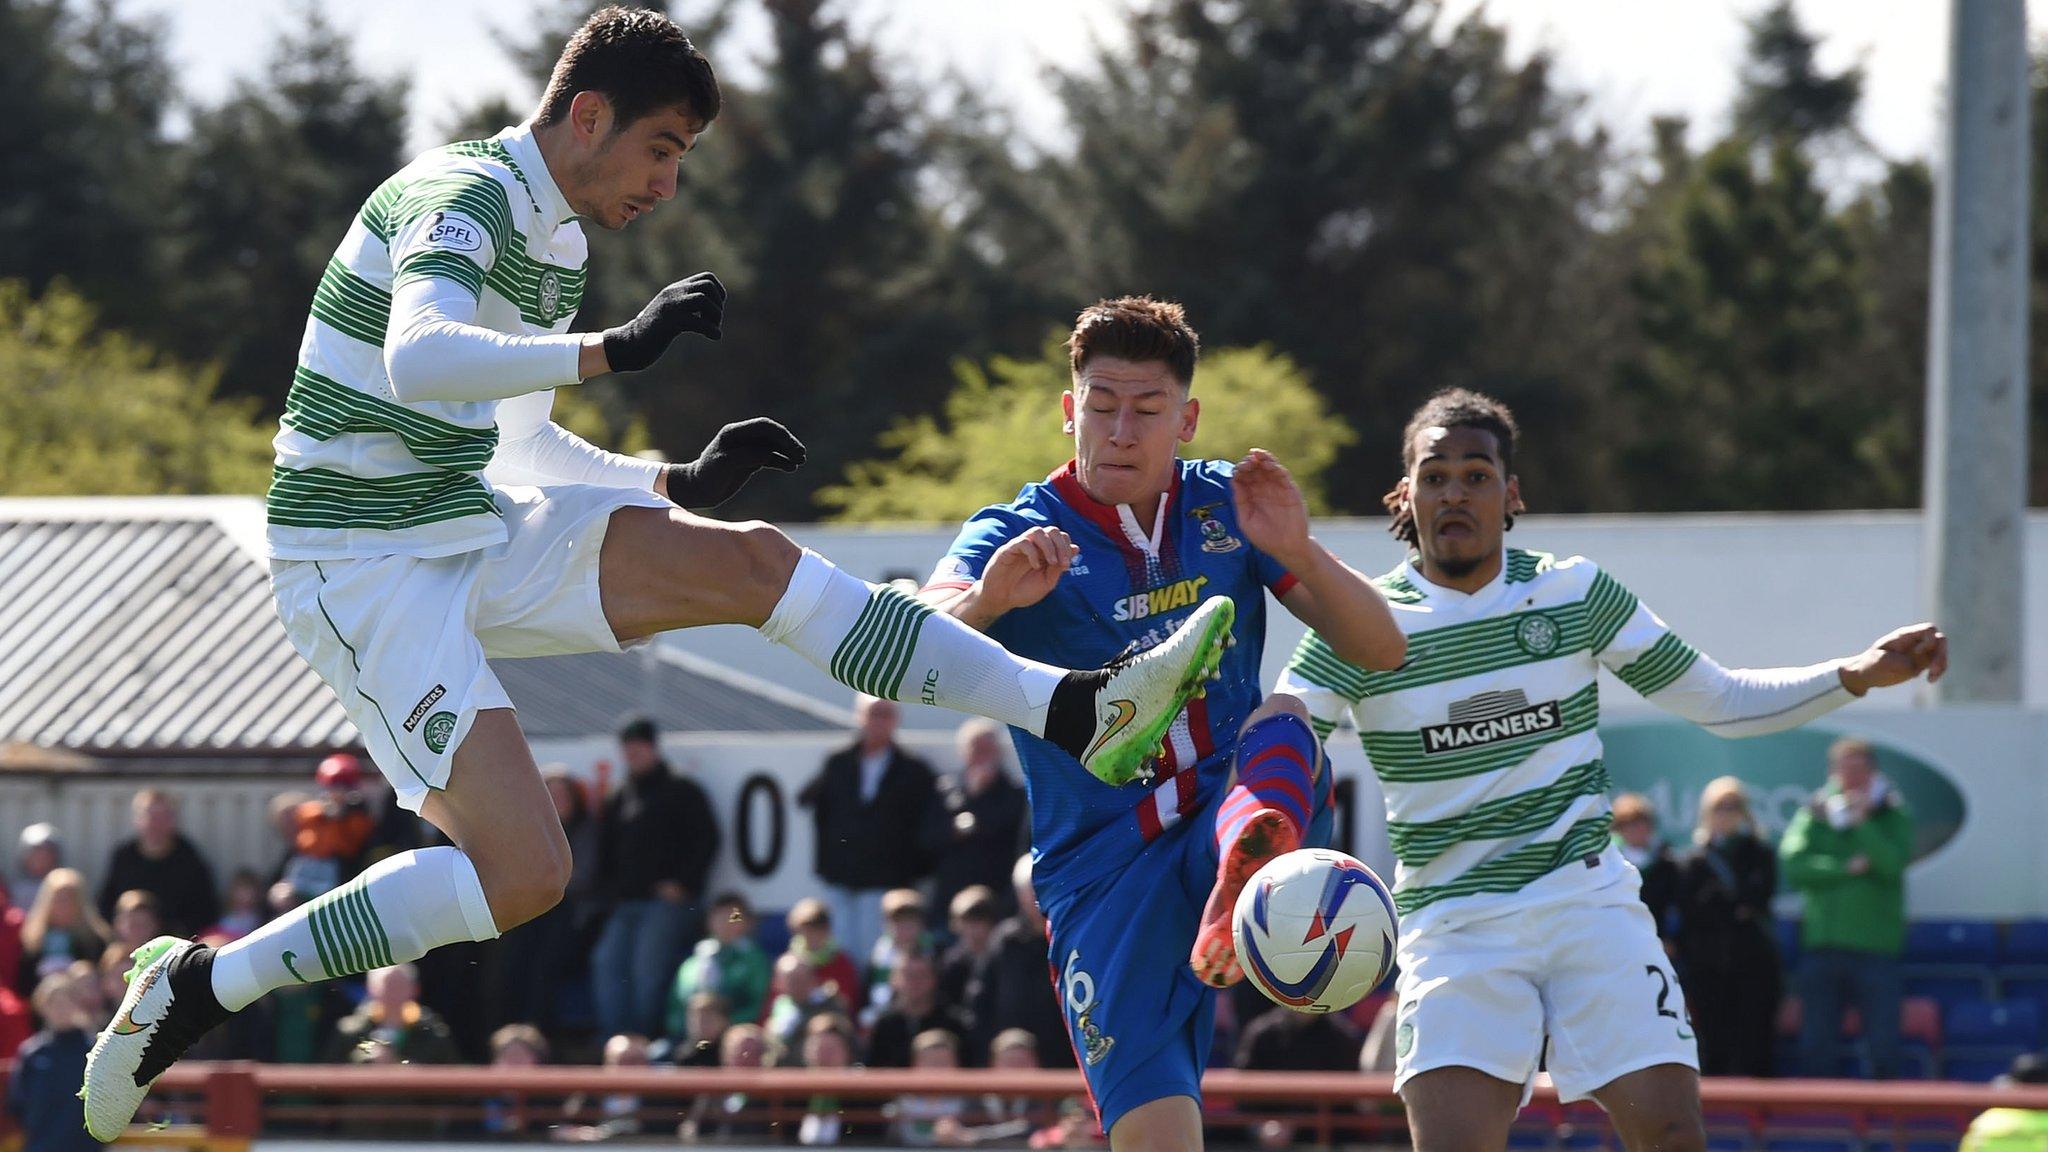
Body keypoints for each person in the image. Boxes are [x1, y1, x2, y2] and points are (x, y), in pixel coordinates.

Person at [85, 10, 1231, 1135]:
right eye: (662, 149)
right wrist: (615, 348)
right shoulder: (461, 195)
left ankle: (1071, 711)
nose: (668, 185)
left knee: (755, 565)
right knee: (525, 875)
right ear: (588, 116)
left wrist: (673, 481)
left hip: (466, 516)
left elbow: (521, 442)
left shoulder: (559, 237)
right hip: (359, 563)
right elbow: (419, 353)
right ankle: (203, 987)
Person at [1277, 388, 1947, 1152]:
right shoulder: (1359, 621)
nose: (1455, 493)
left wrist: (1854, 673)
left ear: (1511, 494)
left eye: (1476, 474)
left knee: (1670, 1133)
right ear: (1406, 494)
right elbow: (1283, 742)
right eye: (1435, 476)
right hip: (1455, 926)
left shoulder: (1574, 593)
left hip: (1586, 907)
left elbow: (1720, 700)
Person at [917, 296, 1408, 1148]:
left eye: (1146, 411)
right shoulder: (1019, 529)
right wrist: (990, 598)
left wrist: (1298, 549)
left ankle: (1241, 854)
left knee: (1287, 712)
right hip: (1104, 876)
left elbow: (1382, 648)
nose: (1120, 430)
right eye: (1101, 406)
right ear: (1070, 410)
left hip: (1238, 811)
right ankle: (1238, 876)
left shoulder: (1230, 506)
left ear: (1186, 419)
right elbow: (910, 642)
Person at [1781, 736, 1915, 1079]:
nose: (1852, 777)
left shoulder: (1893, 813)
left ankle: (1886, 1124)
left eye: (1859, 769)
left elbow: (1892, 865)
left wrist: (1862, 823)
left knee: (1883, 1046)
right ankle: (1820, 1126)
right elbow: (1794, 865)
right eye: (1845, 769)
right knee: (1816, 1045)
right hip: (1822, 949)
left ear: (1873, 772)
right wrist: (1845, 868)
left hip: (1876, 951)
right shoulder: (1815, 812)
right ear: (1833, 773)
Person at [592, 716, 719, 1037]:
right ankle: (616, 1044)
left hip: (665, 904)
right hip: (625, 903)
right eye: (628, 748)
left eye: (639, 747)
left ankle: (644, 1043)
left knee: (647, 968)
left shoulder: (682, 789)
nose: (633, 754)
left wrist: (684, 884)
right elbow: (606, 851)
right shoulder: (620, 795)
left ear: (653, 748)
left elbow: (707, 839)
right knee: (605, 962)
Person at [800, 695, 938, 965]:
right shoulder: (838, 762)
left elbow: (925, 824)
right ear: (859, 717)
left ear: (896, 721)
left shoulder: (913, 770)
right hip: (840, 876)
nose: (878, 722)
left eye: (886, 714)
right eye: (873, 714)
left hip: (885, 880)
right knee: (840, 950)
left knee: (875, 953)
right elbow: (816, 807)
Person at [1672, 777, 1780, 1077]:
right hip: (1709, 967)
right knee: (1712, 1043)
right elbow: (1694, 911)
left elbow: (1757, 899)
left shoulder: (1761, 853)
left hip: (1754, 965)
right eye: (1720, 807)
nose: (1726, 813)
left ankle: (1761, 1120)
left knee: (1756, 1044)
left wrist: (1725, 905)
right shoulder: (1692, 861)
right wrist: (1731, 908)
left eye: (1734, 806)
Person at [500, 768, 603, 1032]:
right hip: (528, 911)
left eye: (562, 795)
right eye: (550, 794)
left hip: (569, 915)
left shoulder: (586, 830)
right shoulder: (524, 829)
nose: (557, 801)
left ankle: (538, 1032)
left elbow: (580, 878)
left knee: (544, 969)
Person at [923, 718, 1028, 924]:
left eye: (988, 750)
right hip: (950, 897)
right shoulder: (945, 790)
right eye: (976, 749)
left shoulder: (1015, 795)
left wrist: (978, 797)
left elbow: (1008, 834)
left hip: (996, 896)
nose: (982, 757)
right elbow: (927, 838)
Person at [1234, 1004, 1366, 1150]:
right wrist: (1260, 1126)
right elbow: (1243, 1094)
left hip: (1323, 1137)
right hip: (1265, 1136)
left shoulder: (1341, 1037)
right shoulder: (1262, 1034)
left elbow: (1346, 1102)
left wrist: (1298, 1121)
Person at [983, 854, 1073, 1070]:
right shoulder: (1004, 941)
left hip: (1064, 1055)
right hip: (1010, 1058)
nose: (1036, 898)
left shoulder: (1069, 936)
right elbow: (983, 998)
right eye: (1029, 891)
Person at [96, 789, 220, 937]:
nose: (155, 824)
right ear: (137, 820)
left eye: (162, 817)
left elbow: (205, 910)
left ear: (173, 820)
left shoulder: (189, 859)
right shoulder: (124, 857)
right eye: (150, 816)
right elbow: (105, 905)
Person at [8, 967, 101, 1152]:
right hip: (41, 1145)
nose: (60, 1009)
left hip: (85, 1146)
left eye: (65, 1002)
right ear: (42, 1007)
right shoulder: (32, 1053)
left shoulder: (94, 1050)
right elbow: (17, 1103)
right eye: (53, 1003)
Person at [320, 962, 461, 1065]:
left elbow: (451, 1081)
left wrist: (401, 1068)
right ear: (370, 988)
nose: (392, 994)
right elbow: (327, 1081)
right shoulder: (349, 1032)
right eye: (386, 985)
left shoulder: (433, 1032)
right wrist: (363, 1062)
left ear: (415, 990)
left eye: (399, 986)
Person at [280, 754, 377, 900]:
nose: (336, 792)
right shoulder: (313, 812)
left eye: (342, 787)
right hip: (305, 871)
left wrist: (341, 815)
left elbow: (351, 847)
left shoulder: (358, 816)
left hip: (336, 877)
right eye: (332, 787)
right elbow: (301, 842)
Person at [671, 891, 770, 1031]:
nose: (726, 922)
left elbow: (757, 1006)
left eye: (734, 917)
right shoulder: (691, 963)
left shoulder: (755, 961)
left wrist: (724, 1026)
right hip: (689, 1039)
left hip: (734, 1037)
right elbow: (675, 1008)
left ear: (747, 922)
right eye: (720, 916)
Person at [869, 950, 973, 1071]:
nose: (915, 982)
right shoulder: (884, 1025)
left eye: (922, 975)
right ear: (894, 980)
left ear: (934, 979)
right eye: (908, 975)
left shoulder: (955, 1024)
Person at [1611, 793, 1680, 955]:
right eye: (1627, 824)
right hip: (1624, 943)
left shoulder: (1667, 862)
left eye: (1640, 822)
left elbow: (1675, 906)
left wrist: (1669, 938)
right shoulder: (1610, 865)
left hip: (1663, 944)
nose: (1635, 829)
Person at [20, 868, 110, 991]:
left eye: (68, 899)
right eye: (58, 899)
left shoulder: (94, 940)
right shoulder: (31, 939)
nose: (63, 905)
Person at [938, 885, 1001, 1059]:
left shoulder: (1006, 960)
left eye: (979, 920)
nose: (974, 930)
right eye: (966, 921)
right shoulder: (950, 965)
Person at [783, 897, 864, 1015]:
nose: (812, 934)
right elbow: (778, 1002)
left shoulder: (842, 963)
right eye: (806, 928)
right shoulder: (787, 964)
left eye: (818, 926)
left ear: (828, 929)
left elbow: (848, 1005)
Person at [864, 888, 934, 1024]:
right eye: (898, 921)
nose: (905, 929)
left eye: (910, 921)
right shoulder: (876, 960)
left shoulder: (935, 955)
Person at [892, 1029, 970, 1147]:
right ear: (915, 1064)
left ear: (955, 1064)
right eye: (930, 1062)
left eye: (943, 1062)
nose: (936, 1069)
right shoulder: (899, 1100)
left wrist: (964, 1136)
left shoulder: (971, 1101)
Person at [13, 823, 61, 913]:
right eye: (36, 851)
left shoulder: (64, 891)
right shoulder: (14, 892)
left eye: (47, 851)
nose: (41, 857)